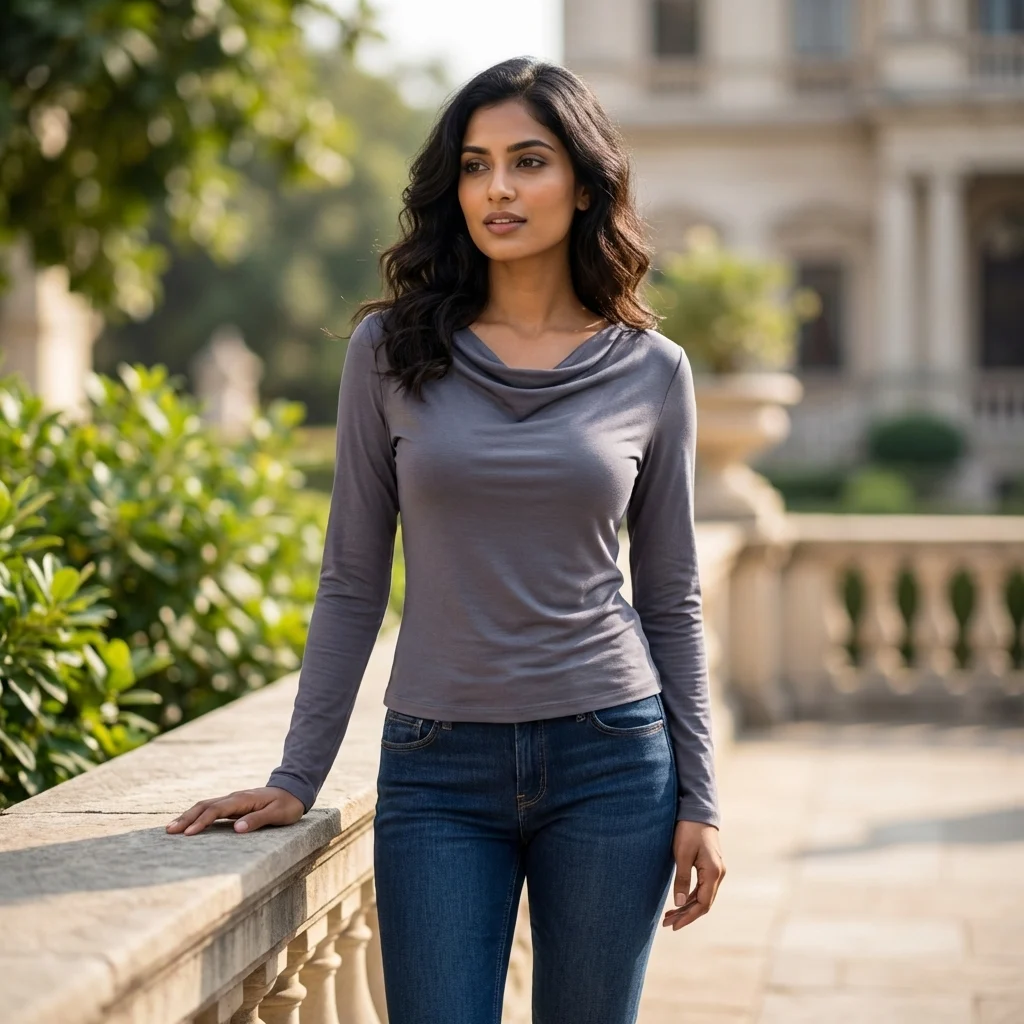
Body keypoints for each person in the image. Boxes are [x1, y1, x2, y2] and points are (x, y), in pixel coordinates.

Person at [167, 55, 725, 1024]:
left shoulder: (651, 368)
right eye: (474, 164)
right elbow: (350, 579)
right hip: (435, 765)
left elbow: (668, 595)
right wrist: (297, 776)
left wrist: (702, 798)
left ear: (584, 184)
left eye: (527, 160)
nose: (497, 187)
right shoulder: (387, 351)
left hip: (612, 760)